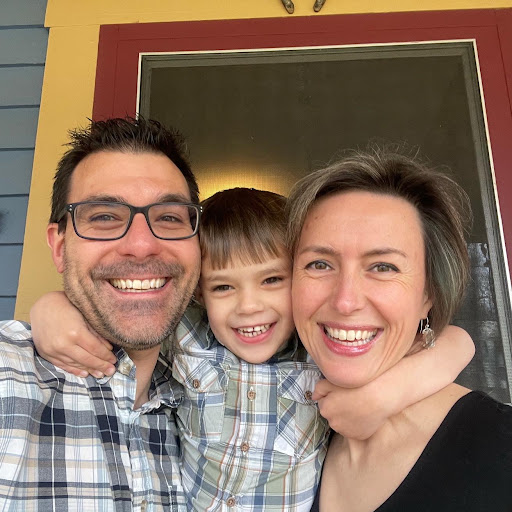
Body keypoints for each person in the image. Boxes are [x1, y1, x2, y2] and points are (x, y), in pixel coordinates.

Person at [31, 184, 473, 511]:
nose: (249, 307)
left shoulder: (320, 350)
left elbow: (457, 343)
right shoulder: (188, 339)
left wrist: (384, 396)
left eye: (272, 280)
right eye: (223, 287)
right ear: (200, 294)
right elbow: (126, 313)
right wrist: (52, 307)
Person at [285, 149, 512, 511]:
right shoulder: (282, 430)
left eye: (383, 267)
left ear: (428, 295)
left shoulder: (501, 451)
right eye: (320, 264)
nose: (345, 301)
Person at [0, 117, 202, 510]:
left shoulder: (209, 388)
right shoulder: (10, 375)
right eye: (105, 217)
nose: (142, 245)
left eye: (169, 217)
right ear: (60, 248)